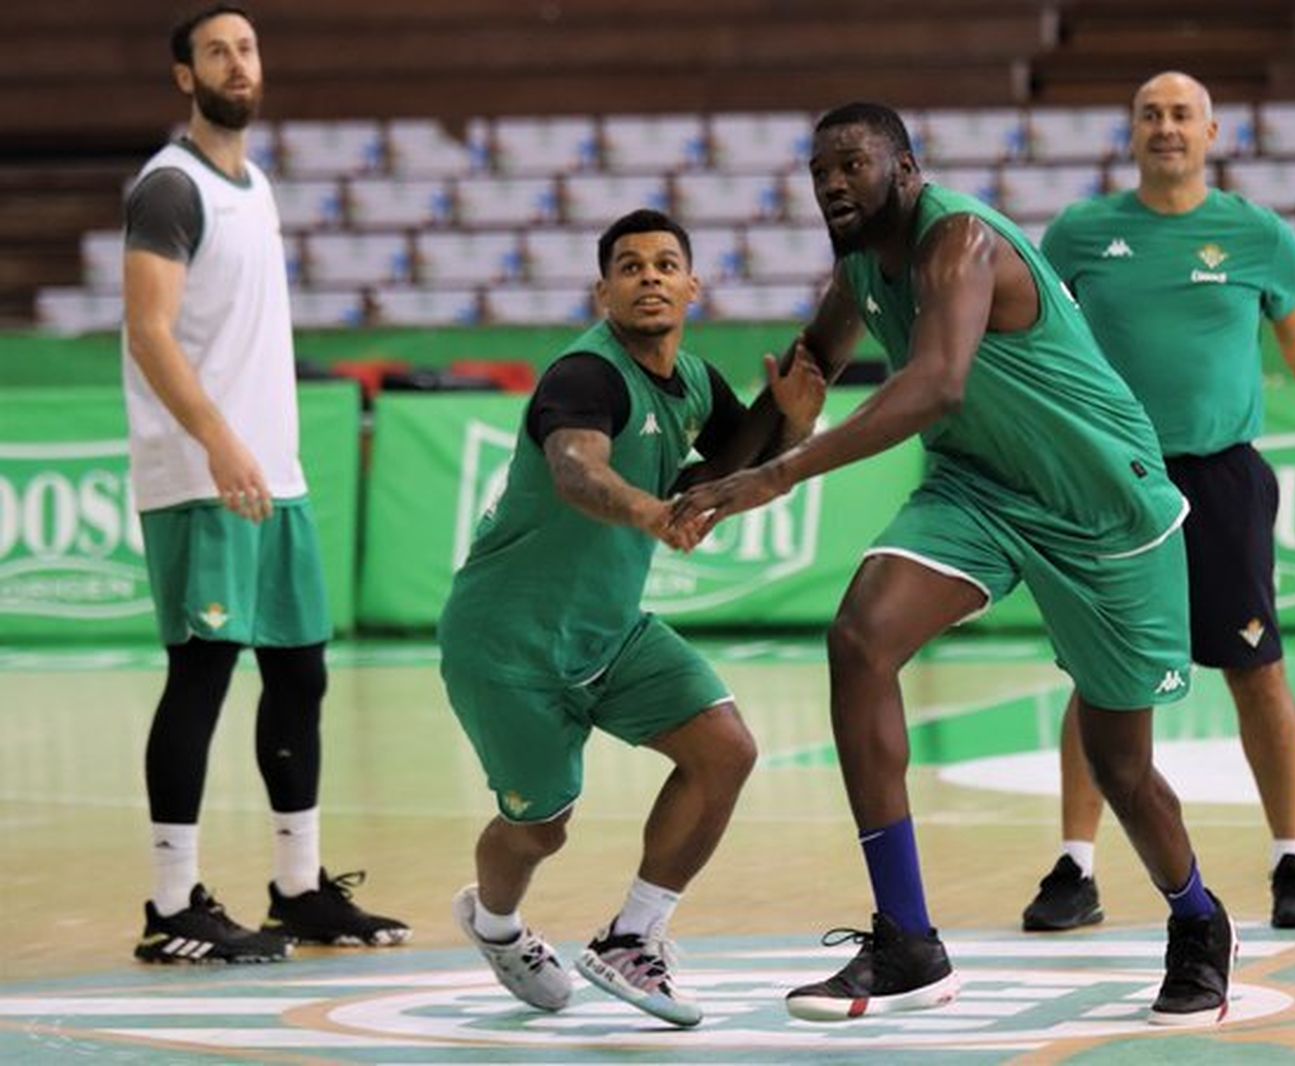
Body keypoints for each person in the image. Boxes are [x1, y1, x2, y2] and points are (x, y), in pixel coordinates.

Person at [670, 103, 1236, 1026]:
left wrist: (777, 476)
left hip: (1102, 505)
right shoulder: (862, 267)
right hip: (980, 488)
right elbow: (809, 368)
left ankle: (1199, 919)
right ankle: (907, 940)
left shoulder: (960, 241)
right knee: (860, 639)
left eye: (852, 164)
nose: (832, 183)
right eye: (819, 171)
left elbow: (936, 383)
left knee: (1120, 766)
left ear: (906, 167)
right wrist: (706, 482)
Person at [437, 209, 826, 1027]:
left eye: (665, 264)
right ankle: (496, 924)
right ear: (603, 292)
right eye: (630, 266)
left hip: (611, 631)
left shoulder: (698, 383)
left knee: (726, 751)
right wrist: (652, 512)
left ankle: (633, 936)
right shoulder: (585, 376)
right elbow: (576, 471)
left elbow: (732, 474)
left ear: (693, 286)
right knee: (540, 830)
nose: (649, 276)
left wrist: (793, 419)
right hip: (508, 643)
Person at [1025, 71, 1295, 935]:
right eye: (1150, 113)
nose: (1166, 127)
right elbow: (1033, 341)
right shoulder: (1079, 233)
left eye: (1182, 114)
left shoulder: (1257, 236)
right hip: (1114, 481)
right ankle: (1076, 867)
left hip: (1223, 479)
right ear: (1131, 131)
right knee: (1098, 674)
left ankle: (1291, 859)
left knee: (1257, 670)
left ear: (1211, 132)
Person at [123, 3, 408, 965]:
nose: (237, 64)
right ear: (185, 76)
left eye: (246, 48)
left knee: (299, 673)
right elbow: (149, 331)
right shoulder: (170, 188)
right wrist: (217, 441)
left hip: (271, 474)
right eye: (217, 52)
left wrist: (257, 452)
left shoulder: (258, 183)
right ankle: (172, 905)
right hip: (202, 473)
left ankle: (298, 888)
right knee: (202, 671)